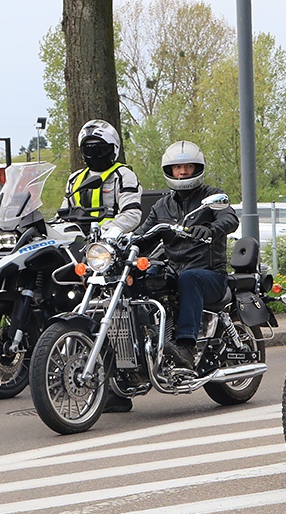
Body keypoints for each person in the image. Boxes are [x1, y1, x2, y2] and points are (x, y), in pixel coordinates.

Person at [135, 140, 239, 375]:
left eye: (188, 167)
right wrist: (122, 244)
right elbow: (144, 235)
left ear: (197, 169)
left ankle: (185, 348)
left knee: (190, 278)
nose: (182, 172)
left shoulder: (212, 196)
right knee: (143, 278)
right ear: (169, 171)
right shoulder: (162, 206)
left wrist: (210, 229)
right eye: (177, 168)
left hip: (209, 274)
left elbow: (230, 218)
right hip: (174, 271)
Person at [62, 119, 142, 238]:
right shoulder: (75, 178)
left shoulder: (123, 175)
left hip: (111, 243)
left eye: (100, 149)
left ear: (113, 149)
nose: (94, 155)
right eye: (89, 150)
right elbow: (63, 213)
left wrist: (106, 231)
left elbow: (132, 214)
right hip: (76, 240)